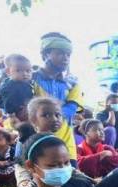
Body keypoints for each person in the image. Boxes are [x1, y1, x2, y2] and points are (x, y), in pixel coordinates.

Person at [33, 32, 84, 162]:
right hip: (36, 142)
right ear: (45, 55)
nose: (65, 58)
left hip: (66, 144)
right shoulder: (31, 79)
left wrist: (47, 114)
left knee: (72, 179)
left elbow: (71, 109)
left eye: (68, 55)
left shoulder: (72, 82)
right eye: (60, 53)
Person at [0, 54, 34, 130]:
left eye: (28, 71)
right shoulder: (10, 85)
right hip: (16, 114)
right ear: (8, 71)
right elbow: (8, 102)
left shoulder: (24, 82)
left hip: (26, 110)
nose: (24, 74)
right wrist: (12, 116)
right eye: (18, 70)